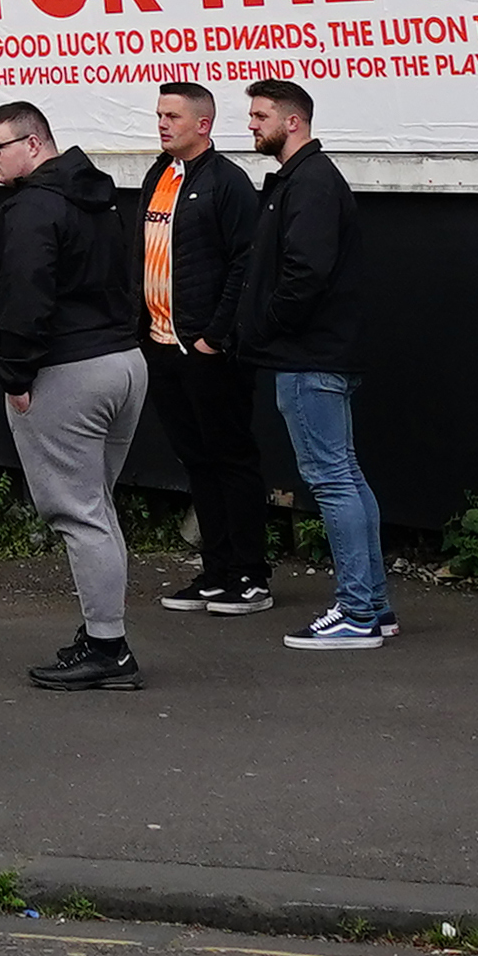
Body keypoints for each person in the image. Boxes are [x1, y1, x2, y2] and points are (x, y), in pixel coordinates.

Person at [0, 101, 145, 691]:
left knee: (79, 514)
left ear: (34, 143)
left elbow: (27, 294)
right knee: (96, 507)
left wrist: (15, 375)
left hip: (66, 371)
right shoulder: (98, 197)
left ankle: (108, 649)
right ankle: (103, 632)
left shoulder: (30, 209)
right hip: (124, 363)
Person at [219, 78, 389, 652]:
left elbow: (304, 274)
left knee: (332, 479)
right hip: (316, 354)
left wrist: (262, 326)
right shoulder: (301, 180)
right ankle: (374, 606)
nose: (250, 124)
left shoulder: (311, 182)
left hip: (309, 358)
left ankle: (359, 611)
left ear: (293, 121)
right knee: (346, 476)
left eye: (260, 115)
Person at [123, 83, 269, 618]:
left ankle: (251, 574)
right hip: (161, 345)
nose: (162, 124)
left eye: (173, 116)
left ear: (203, 125)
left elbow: (245, 265)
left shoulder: (227, 183)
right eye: (159, 114)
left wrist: (213, 336)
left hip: (208, 351)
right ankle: (217, 570)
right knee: (196, 460)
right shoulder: (159, 175)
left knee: (231, 456)